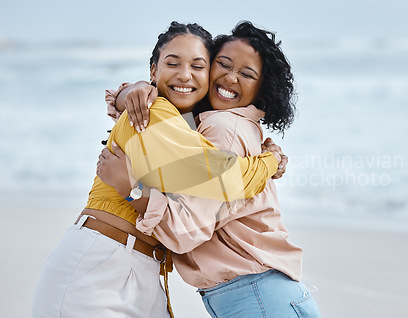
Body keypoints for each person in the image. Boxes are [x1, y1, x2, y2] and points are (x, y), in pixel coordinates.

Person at [31, 22, 284, 318]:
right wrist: (271, 162)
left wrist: (126, 93)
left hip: (145, 269)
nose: (184, 74)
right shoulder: (154, 112)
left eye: (197, 66)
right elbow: (225, 178)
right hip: (98, 263)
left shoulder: (186, 125)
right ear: (154, 71)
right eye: (172, 63)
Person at [99, 21, 322, 317]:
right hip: (260, 293)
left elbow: (188, 230)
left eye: (247, 74)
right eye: (224, 65)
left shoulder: (222, 127)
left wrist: (131, 190)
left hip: (255, 294)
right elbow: (164, 114)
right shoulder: (215, 124)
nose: (230, 78)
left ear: (261, 87)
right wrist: (131, 92)